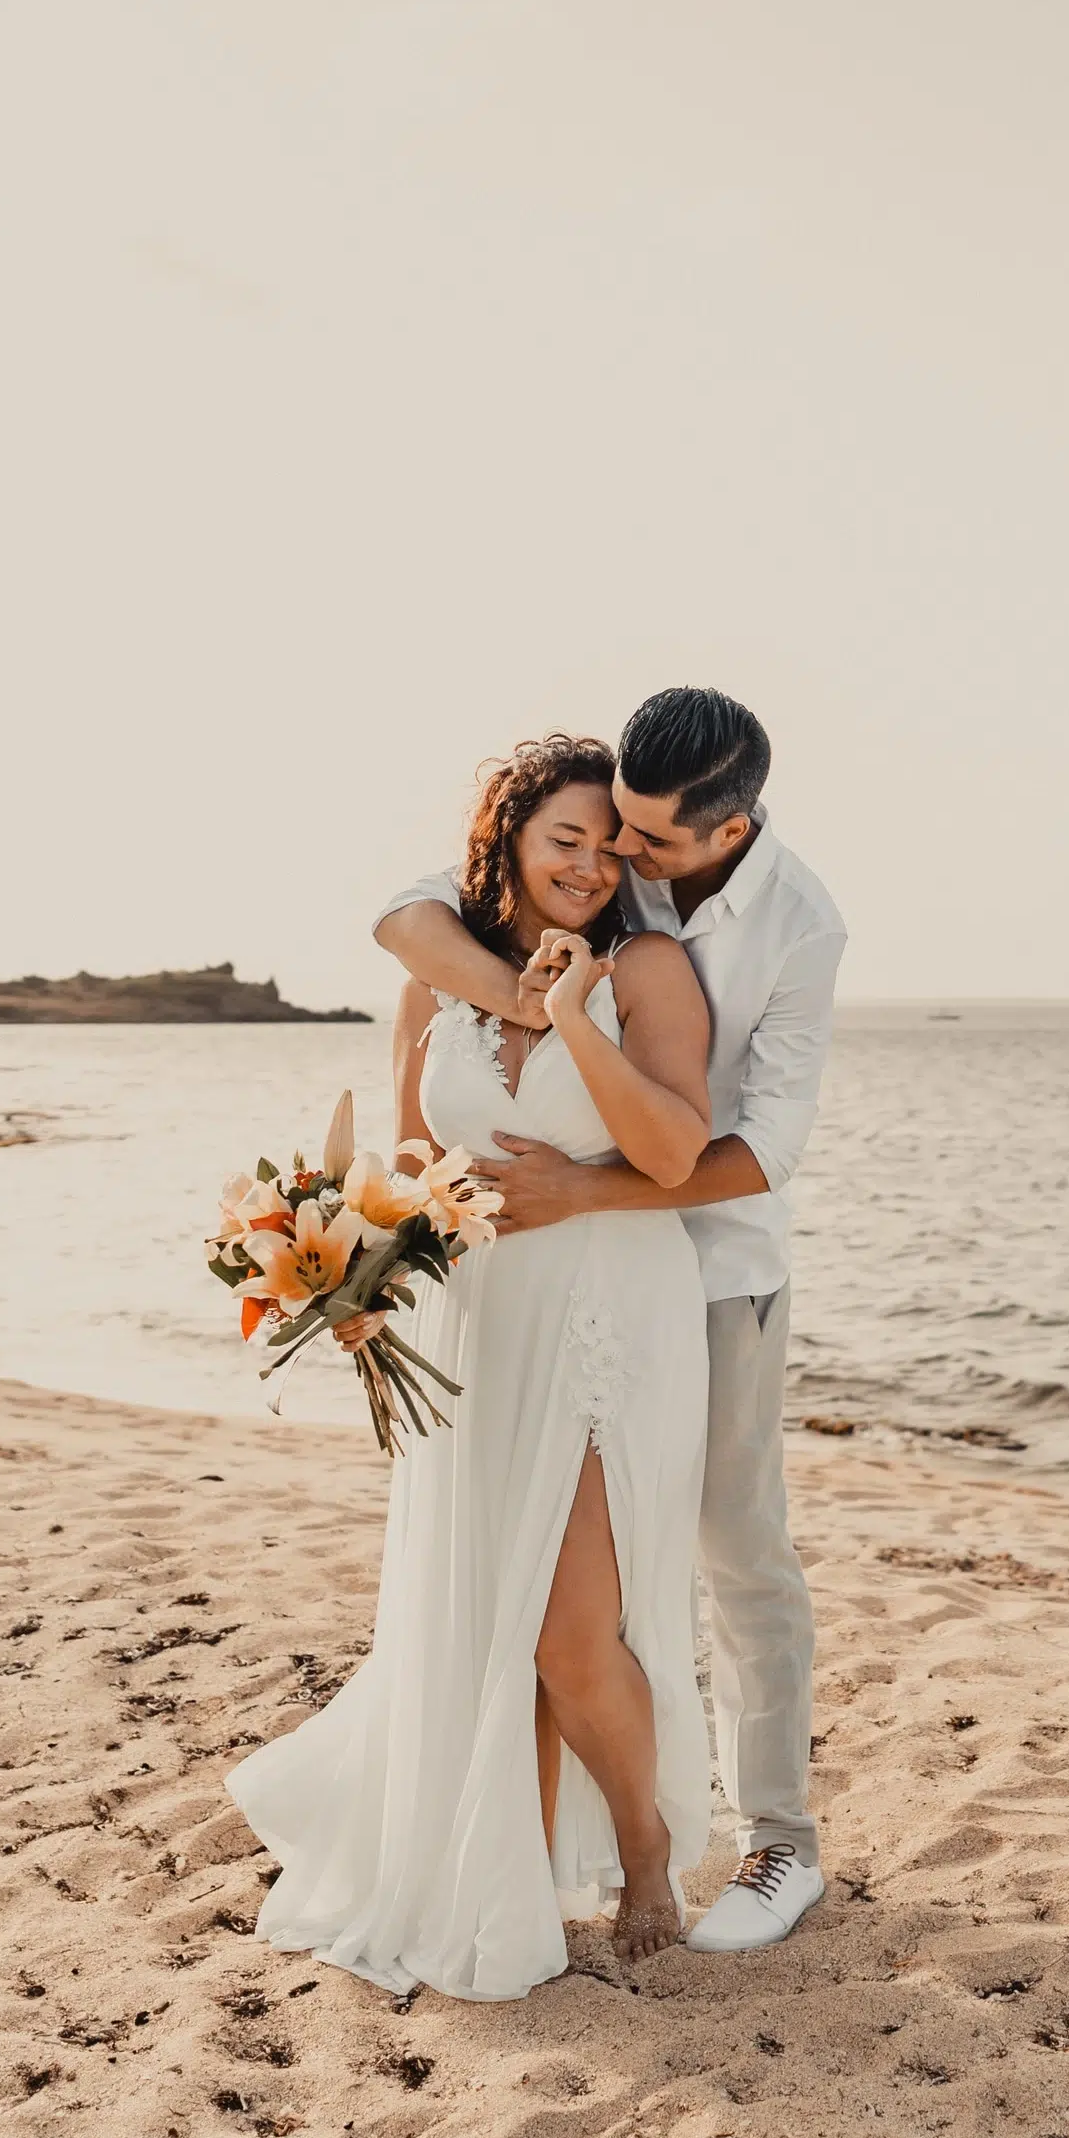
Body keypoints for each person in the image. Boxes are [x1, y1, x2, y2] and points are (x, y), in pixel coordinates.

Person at [226, 736, 715, 1999]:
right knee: (491, 1607)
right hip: (473, 1321)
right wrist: (355, 1276)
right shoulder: (435, 980)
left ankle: (647, 1851)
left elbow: (672, 1150)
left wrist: (566, 1016)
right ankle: (516, 1874)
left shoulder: (648, 968)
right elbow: (407, 1159)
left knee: (569, 1626)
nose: (592, 868)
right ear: (505, 839)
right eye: (566, 840)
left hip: (611, 1308)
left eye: (612, 849)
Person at [375, 686, 846, 1953]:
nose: (619, 859)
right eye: (600, 830)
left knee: (736, 1551)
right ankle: (532, 1850)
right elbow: (412, 921)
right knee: (530, 1586)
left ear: (730, 827)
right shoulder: (595, 856)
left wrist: (582, 1188)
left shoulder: (795, 926)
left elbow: (757, 1150)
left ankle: (776, 1845)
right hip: (512, 1295)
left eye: (648, 841)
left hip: (704, 1266)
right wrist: (530, 1006)